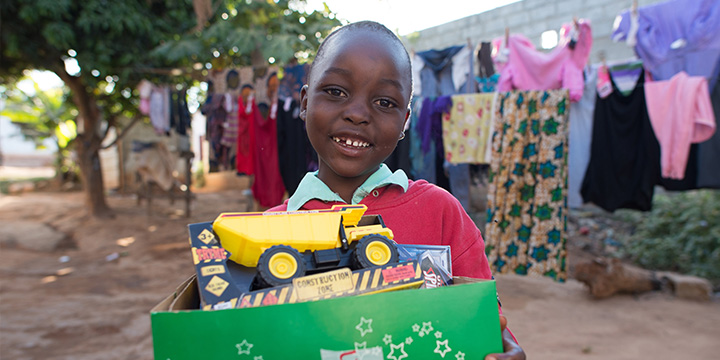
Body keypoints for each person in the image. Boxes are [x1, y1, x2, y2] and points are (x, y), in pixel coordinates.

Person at [268, 21, 526, 360]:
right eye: (336, 91)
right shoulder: (268, 231)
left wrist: (506, 346)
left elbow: (487, 322)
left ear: (405, 121)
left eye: (385, 102)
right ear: (304, 102)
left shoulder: (440, 211)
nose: (358, 114)